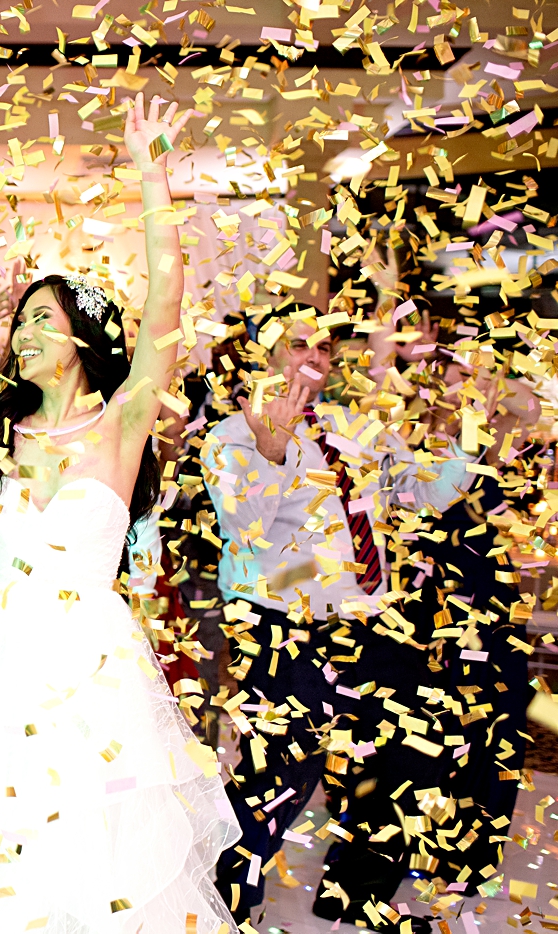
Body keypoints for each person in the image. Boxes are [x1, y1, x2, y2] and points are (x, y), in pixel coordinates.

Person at [0, 97, 240, 934]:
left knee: (95, 851)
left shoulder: (122, 423)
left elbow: (165, 306)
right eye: (21, 321)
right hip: (0, 659)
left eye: (44, 318)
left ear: (84, 337)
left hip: (92, 668)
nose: (23, 333)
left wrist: (150, 176)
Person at [201, 302, 480, 927]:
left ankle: (356, 894)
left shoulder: (353, 426)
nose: (315, 357)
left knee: (412, 748)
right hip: (280, 625)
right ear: (266, 356)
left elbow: (426, 492)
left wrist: (469, 424)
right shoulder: (232, 435)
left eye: (324, 347)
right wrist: (273, 450)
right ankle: (227, 900)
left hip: (369, 621)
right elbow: (246, 532)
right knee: (284, 771)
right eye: (298, 344)